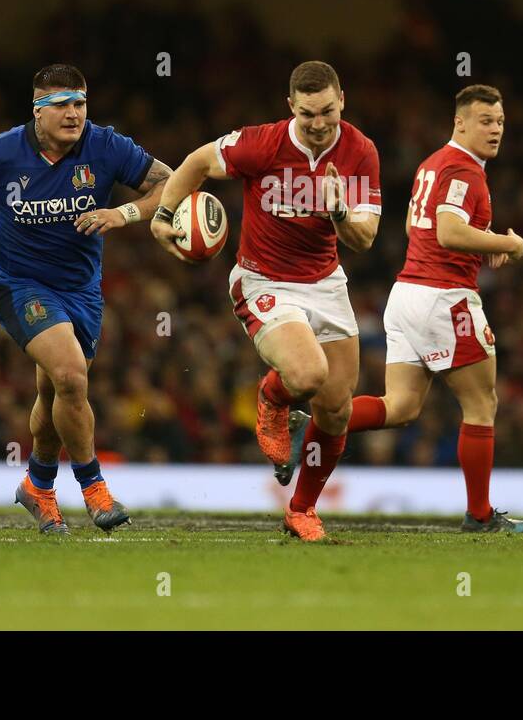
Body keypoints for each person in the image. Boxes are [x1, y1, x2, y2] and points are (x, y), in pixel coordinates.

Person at [0, 64, 170, 535]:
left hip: (82, 291)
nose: (74, 113)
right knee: (69, 375)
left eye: (80, 103)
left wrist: (125, 213)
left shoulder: (106, 146)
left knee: (54, 392)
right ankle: (94, 489)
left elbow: (170, 182)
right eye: (61, 105)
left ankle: (38, 484)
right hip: (19, 286)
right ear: (37, 111)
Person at [151, 60, 381, 541]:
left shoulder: (360, 152)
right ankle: (272, 398)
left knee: (336, 408)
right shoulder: (261, 143)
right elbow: (196, 163)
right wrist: (163, 215)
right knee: (308, 374)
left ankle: (301, 510)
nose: (318, 124)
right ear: (290, 107)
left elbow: (365, 239)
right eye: (307, 114)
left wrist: (339, 211)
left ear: (343, 100)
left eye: (327, 112)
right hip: (264, 281)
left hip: (326, 283)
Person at [342, 85, 523, 532]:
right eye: (485, 120)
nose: (495, 129)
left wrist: (478, 250)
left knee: (402, 406)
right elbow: (447, 231)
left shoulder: (433, 163)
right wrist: (509, 244)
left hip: (406, 293)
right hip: (444, 297)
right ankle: (480, 515)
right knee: (482, 404)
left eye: (500, 122)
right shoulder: (465, 169)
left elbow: (415, 228)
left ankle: (311, 427)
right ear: (459, 122)